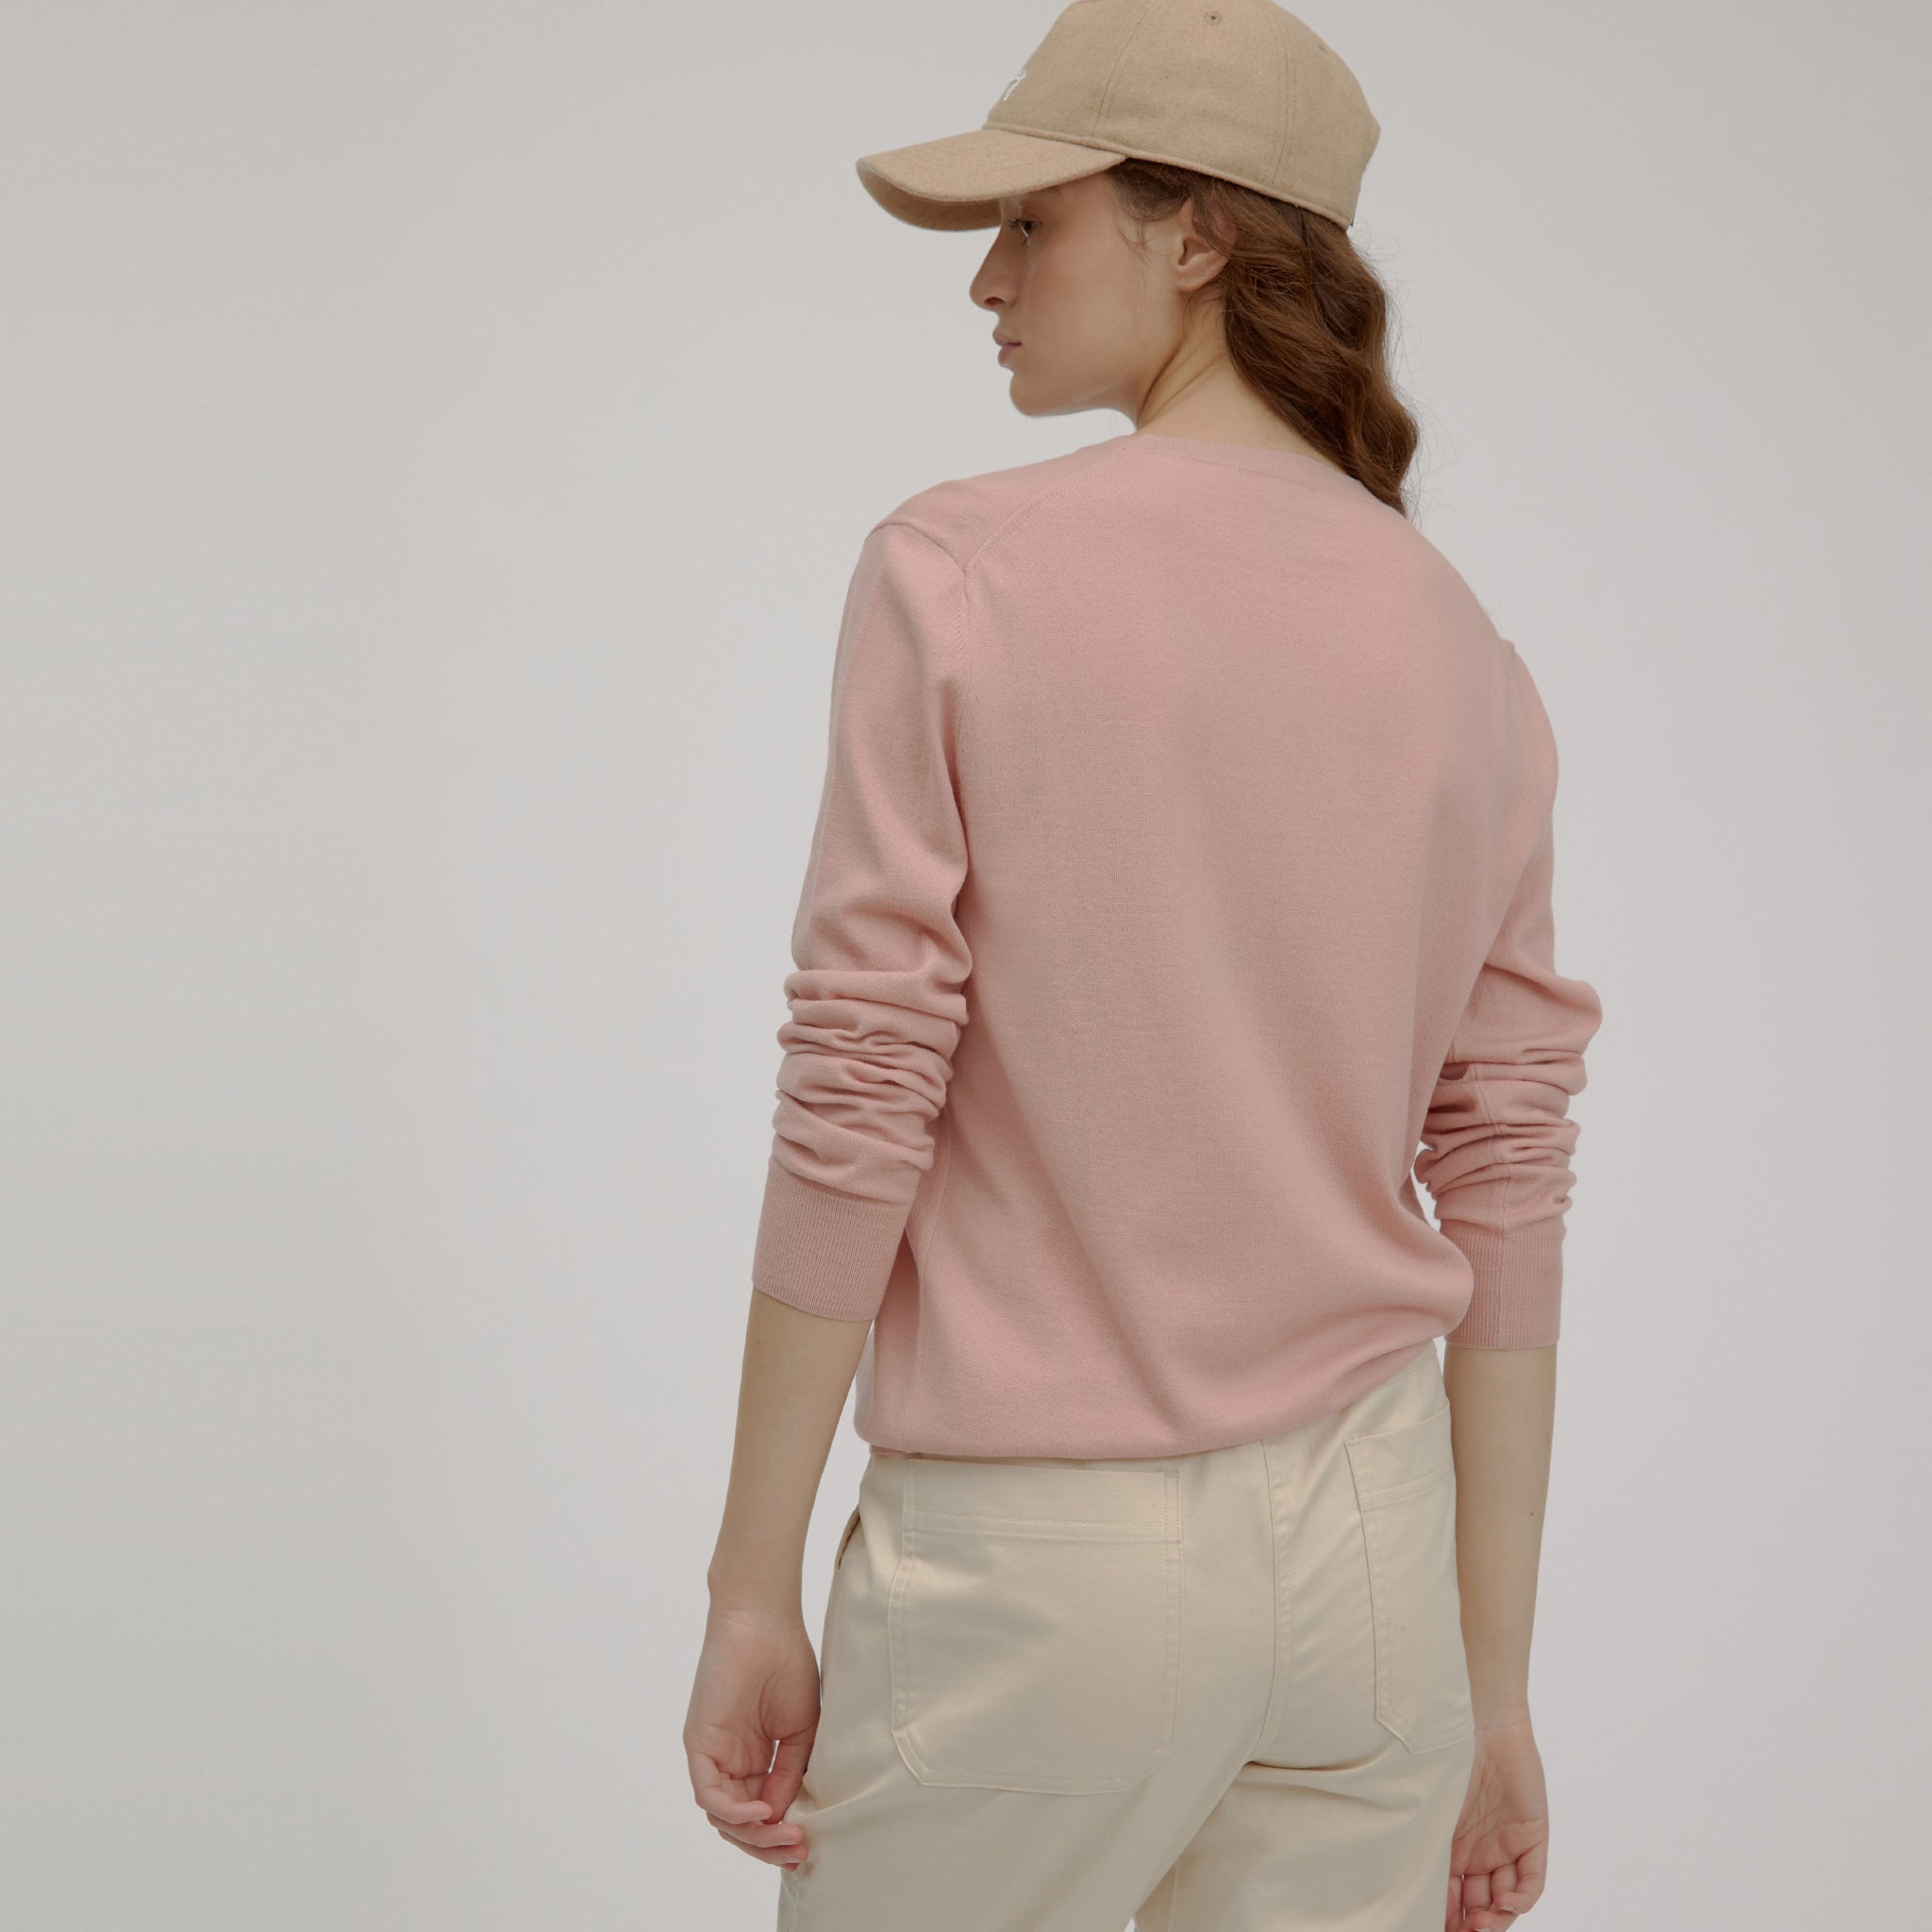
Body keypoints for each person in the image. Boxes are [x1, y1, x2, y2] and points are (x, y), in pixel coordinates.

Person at [684, 4, 1604, 1928]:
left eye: (1031, 223)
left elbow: (864, 1078)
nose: (987, 281)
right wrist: (1494, 1688)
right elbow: (1506, 1170)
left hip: (1043, 1569)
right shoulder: (1468, 655)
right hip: (1376, 1583)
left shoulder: (959, 573)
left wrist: (749, 1584)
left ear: (1200, 235)